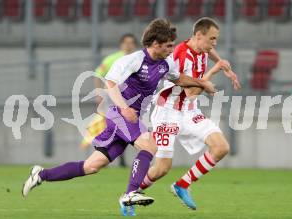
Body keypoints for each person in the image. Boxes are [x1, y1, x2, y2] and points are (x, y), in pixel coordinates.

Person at [21, 18, 216, 216]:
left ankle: (41, 174)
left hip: (130, 118)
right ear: (156, 44)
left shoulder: (166, 63)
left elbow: (180, 78)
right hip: (119, 114)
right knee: (150, 145)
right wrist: (124, 108)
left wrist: (202, 83)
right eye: (168, 45)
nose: (172, 49)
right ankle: (130, 194)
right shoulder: (134, 60)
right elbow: (110, 83)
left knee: (92, 166)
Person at [138, 17, 240, 210]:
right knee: (162, 168)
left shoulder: (199, 46)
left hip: (188, 109)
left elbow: (209, 50)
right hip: (167, 110)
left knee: (220, 147)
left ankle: (182, 185)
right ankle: (132, 193)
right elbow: (192, 92)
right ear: (199, 35)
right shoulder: (182, 56)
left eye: (216, 39)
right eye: (212, 38)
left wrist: (223, 63)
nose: (214, 43)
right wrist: (214, 71)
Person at [80, 33, 138, 168]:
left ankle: (113, 157)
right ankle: (103, 155)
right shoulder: (112, 59)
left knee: (125, 127)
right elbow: (98, 74)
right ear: (121, 44)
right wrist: (99, 94)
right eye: (126, 42)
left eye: (131, 42)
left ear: (134, 45)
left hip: (131, 100)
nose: (128, 45)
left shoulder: (138, 59)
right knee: (110, 126)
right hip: (113, 97)